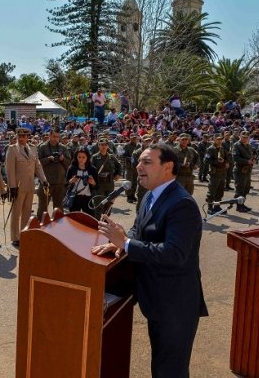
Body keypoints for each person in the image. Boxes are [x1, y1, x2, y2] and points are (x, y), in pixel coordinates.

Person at [92, 143, 208, 378]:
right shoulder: (149, 196)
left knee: (170, 370)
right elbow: (138, 231)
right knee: (160, 365)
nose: (138, 167)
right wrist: (120, 242)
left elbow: (174, 253)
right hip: (156, 299)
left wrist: (125, 244)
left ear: (168, 167)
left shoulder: (181, 204)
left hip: (175, 304)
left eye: (147, 162)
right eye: (139, 162)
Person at [5, 128, 48, 247]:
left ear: (28, 136)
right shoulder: (12, 149)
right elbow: (9, 170)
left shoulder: (33, 148)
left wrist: (43, 179)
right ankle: (15, 237)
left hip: (29, 185)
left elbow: (37, 166)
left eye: (24, 136)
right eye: (20, 136)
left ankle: (23, 234)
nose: (22, 138)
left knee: (27, 212)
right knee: (16, 212)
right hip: (18, 186)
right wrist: (12, 186)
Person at [36, 129, 71, 218]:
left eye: (58, 137)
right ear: (50, 136)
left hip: (60, 182)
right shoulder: (42, 147)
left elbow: (69, 164)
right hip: (46, 182)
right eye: (54, 136)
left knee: (59, 208)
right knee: (43, 208)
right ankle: (41, 228)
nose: (56, 139)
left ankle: (58, 229)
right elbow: (37, 163)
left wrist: (63, 159)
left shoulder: (63, 148)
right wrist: (48, 159)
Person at [90, 138, 122, 216]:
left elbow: (119, 166)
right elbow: (89, 170)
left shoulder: (112, 157)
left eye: (105, 144)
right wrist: (92, 181)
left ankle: (106, 223)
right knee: (98, 204)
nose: (103, 146)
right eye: (101, 145)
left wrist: (118, 174)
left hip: (110, 184)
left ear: (108, 146)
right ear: (98, 146)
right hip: (99, 185)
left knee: (108, 205)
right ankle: (96, 224)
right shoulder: (94, 157)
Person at [65, 148, 98, 214]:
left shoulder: (92, 169)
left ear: (87, 157)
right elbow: (65, 184)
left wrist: (93, 183)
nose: (81, 159)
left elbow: (98, 186)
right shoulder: (72, 168)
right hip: (75, 198)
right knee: (74, 220)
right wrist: (71, 181)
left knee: (90, 219)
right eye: (79, 157)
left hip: (88, 198)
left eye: (83, 157)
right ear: (76, 157)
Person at [205, 134, 231, 215]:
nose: (219, 141)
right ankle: (210, 208)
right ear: (214, 139)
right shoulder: (210, 149)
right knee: (212, 191)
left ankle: (217, 206)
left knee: (220, 191)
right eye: (218, 139)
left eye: (221, 139)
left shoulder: (222, 148)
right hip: (215, 173)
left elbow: (227, 158)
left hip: (222, 173)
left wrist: (227, 163)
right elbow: (206, 160)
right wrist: (217, 161)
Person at [231, 131, 254, 212]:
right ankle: (238, 206)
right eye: (243, 137)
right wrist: (247, 161)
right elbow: (236, 158)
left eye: (246, 137)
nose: (245, 139)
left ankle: (242, 204)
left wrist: (252, 160)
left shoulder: (248, 146)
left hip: (247, 170)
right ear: (240, 137)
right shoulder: (236, 145)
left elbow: (250, 155)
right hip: (239, 170)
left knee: (246, 189)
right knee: (240, 189)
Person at [122, 134, 140, 203]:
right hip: (129, 166)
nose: (134, 139)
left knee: (135, 182)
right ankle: (128, 196)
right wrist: (131, 158)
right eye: (133, 138)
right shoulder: (126, 146)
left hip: (136, 167)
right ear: (130, 138)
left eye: (135, 138)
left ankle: (132, 195)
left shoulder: (138, 146)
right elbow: (124, 155)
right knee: (129, 181)